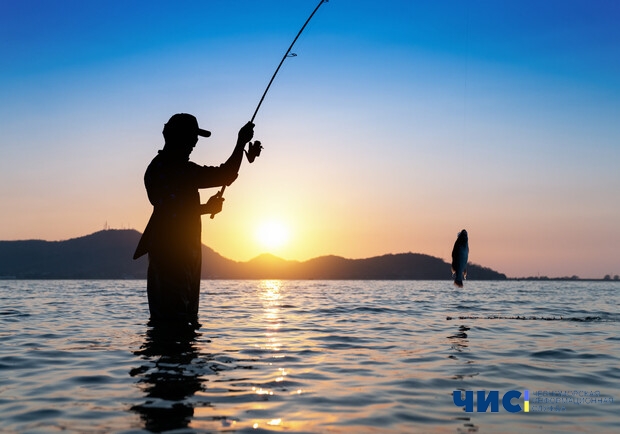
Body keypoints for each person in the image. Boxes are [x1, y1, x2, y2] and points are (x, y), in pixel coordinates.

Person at [133, 113, 255, 325]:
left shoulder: (161, 167)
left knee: (174, 322)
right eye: (191, 137)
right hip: (174, 257)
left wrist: (205, 208)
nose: (195, 142)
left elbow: (173, 209)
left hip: (177, 255)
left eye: (195, 138)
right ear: (176, 137)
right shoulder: (176, 168)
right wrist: (240, 143)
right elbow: (224, 175)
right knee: (177, 320)